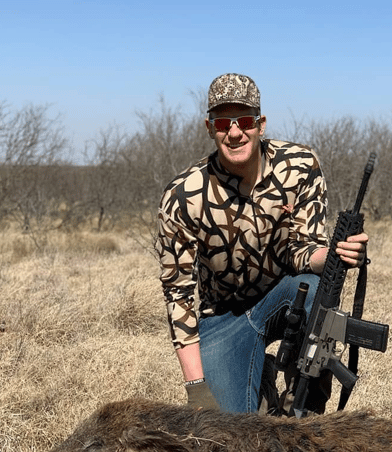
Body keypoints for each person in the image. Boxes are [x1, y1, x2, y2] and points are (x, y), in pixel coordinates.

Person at [156, 73, 368, 414]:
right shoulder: (183, 195)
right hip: (222, 318)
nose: (235, 132)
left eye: (245, 121)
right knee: (228, 437)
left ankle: (306, 411)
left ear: (261, 123)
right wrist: (195, 389)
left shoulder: (300, 167)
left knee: (317, 288)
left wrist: (332, 255)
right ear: (210, 128)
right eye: (223, 122)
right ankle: (263, 383)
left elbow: (302, 249)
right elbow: (178, 294)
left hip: (287, 297)